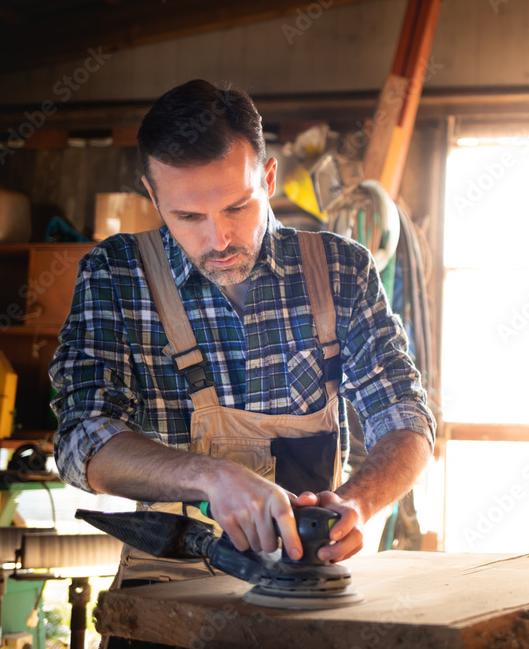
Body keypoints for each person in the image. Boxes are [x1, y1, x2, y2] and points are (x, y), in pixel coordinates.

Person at [50, 79, 435, 577]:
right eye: (188, 216)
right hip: (172, 583)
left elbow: (406, 416)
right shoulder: (116, 274)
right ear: (152, 193)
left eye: (238, 206)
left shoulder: (341, 270)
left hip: (307, 578)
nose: (220, 239)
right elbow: (82, 438)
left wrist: (358, 504)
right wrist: (211, 478)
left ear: (268, 178)